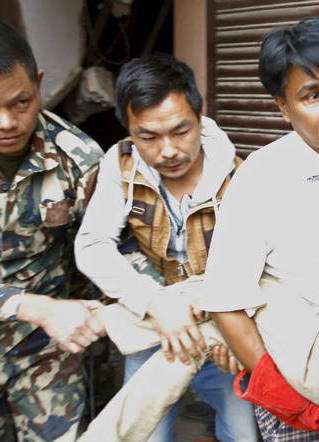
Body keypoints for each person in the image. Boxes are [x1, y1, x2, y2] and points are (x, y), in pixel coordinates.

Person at [201, 17, 319, 441]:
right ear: (283, 108)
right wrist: (286, 400)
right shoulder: (263, 178)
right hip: (295, 411)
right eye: (312, 95)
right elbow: (224, 300)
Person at [75, 54, 257, 442]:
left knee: (243, 433)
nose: (168, 150)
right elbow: (92, 244)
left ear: (200, 116)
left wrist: (238, 332)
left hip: (220, 327)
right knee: (147, 434)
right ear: (128, 130)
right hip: (153, 326)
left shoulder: (239, 176)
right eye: (148, 137)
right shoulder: (121, 164)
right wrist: (155, 303)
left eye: (181, 131)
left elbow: (259, 267)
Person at [0, 21, 104, 442]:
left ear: (39, 83)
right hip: (42, 314)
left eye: (21, 102)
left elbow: (105, 248)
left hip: (44, 350)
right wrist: (32, 306)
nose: (7, 122)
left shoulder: (78, 158)